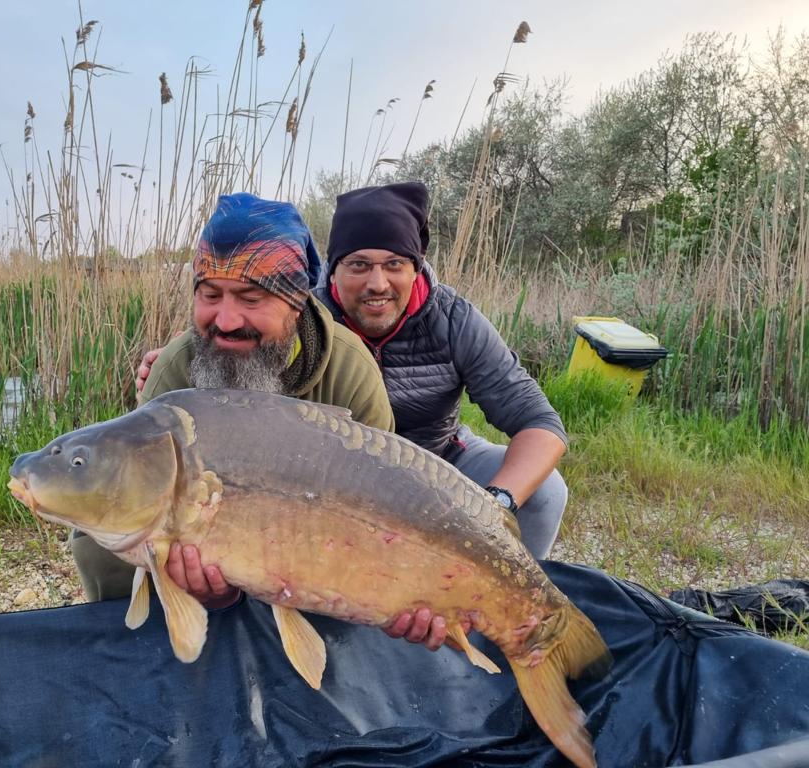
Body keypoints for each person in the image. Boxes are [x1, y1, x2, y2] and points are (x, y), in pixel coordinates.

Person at [72, 191, 403, 616]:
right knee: (95, 534)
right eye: (210, 295)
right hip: (207, 546)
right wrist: (205, 590)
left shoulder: (350, 369)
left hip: (320, 556)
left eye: (251, 299)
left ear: (296, 305)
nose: (226, 321)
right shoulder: (173, 370)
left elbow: (385, 509)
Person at [315, 181, 569, 564]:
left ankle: (508, 594)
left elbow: (540, 424)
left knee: (546, 491)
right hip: (334, 478)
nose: (377, 284)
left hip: (439, 461)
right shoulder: (306, 321)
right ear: (334, 270)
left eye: (394, 264)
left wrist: (494, 506)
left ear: (415, 268)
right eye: (358, 265)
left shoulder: (453, 319)